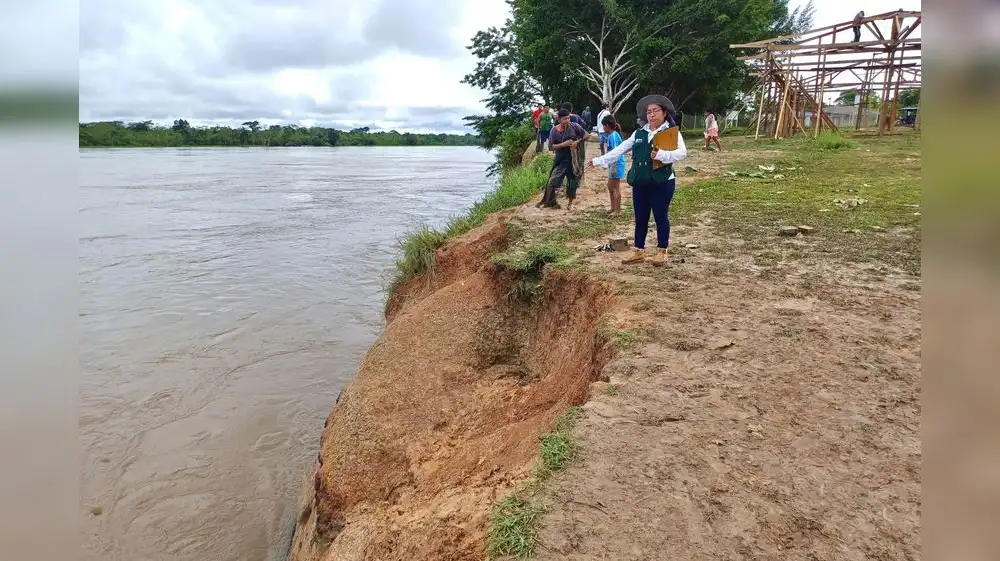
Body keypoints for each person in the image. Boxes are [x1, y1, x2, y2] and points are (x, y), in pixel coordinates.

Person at [587, 94, 688, 266]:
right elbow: (620, 149)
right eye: (649, 111)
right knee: (640, 217)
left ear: (664, 113)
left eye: (656, 110)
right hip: (641, 181)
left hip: (662, 182)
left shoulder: (671, 133)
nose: (652, 114)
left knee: (660, 216)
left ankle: (662, 251)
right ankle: (638, 251)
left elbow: (682, 153)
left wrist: (662, 155)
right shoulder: (639, 133)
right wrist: (598, 161)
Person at [538, 109, 587, 210]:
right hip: (561, 159)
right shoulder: (554, 131)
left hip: (574, 160)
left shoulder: (575, 126)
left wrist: (577, 142)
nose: (567, 120)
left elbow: (586, 135)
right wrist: (563, 144)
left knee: (573, 182)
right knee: (552, 180)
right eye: (565, 119)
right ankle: (550, 202)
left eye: (568, 118)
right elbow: (551, 147)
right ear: (559, 119)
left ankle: (570, 204)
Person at [600, 115, 626, 216]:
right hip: (613, 164)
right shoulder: (611, 135)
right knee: (611, 187)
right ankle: (613, 208)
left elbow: (616, 153)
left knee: (614, 187)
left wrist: (614, 167)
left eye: (603, 126)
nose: (603, 128)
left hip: (617, 164)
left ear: (607, 125)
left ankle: (617, 211)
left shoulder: (613, 136)